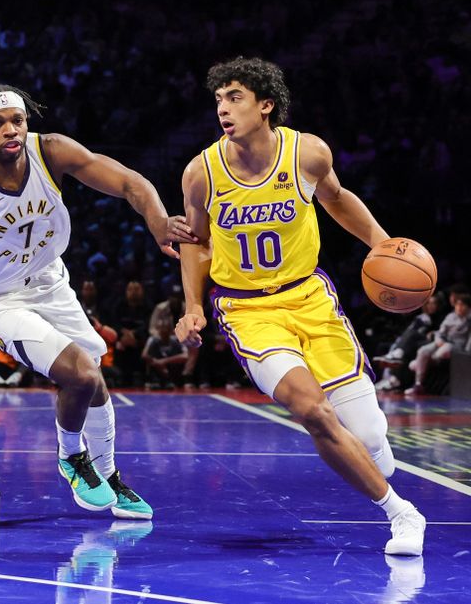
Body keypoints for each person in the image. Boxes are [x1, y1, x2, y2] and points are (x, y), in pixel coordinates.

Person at [0, 84, 197, 519]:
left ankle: (109, 476)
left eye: (17, 121)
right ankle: (70, 456)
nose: (10, 130)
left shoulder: (52, 152)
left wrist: (156, 220)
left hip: (50, 282)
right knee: (79, 373)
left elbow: (129, 182)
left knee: (94, 376)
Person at [175, 57, 425, 555]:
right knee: (312, 410)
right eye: (219, 99)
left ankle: (373, 456)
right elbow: (196, 242)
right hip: (247, 309)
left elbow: (336, 198)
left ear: (266, 105)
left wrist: (382, 245)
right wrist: (192, 305)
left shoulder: (306, 153)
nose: (223, 108)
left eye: (235, 97)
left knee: (371, 437)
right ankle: (403, 514)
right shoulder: (201, 172)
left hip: (311, 298)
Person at [404, 292, 470, 395]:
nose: (459, 307)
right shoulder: (450, 316)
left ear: (468, 307)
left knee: (441, 353)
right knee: (423, 350)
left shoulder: (469, 319)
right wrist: (438, 340)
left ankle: (420, 364)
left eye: (462, 305)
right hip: (443, 342)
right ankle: (418, 385)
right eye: (458, 305)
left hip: (456, 346)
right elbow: (440, 332)